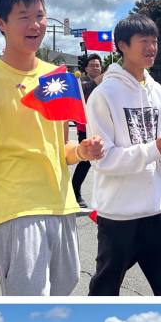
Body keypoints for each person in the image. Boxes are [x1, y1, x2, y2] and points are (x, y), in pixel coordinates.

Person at [0, 0, 104, 296]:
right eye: (23, 17)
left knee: (66, 291)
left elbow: (59, 148)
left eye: (39, 15)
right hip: (17, 213)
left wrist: (81, 151)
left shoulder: (58, 77)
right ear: (1, 23)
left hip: (62, 207)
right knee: (30, 304)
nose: (35, 24)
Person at [86, 13, 161, 296]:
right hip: (119, 215)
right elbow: (103, 160)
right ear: (123, 45)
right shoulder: (104, 95)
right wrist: (154, 149)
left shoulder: (159, 93)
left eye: (154, 41)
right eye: (144, 41)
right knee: (105, 291)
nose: (151, 48)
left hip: (159, 210)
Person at [72, 53, 104, 207]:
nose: (95, 68)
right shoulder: (81, 82)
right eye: (92, 65)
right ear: (86, 68)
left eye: (98, 65)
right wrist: (100, 79)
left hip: (100, 126)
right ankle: (74, 191)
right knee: (85, 161)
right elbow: (86, 90)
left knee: (102, 160)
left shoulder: (104, 84)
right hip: (85, 127)